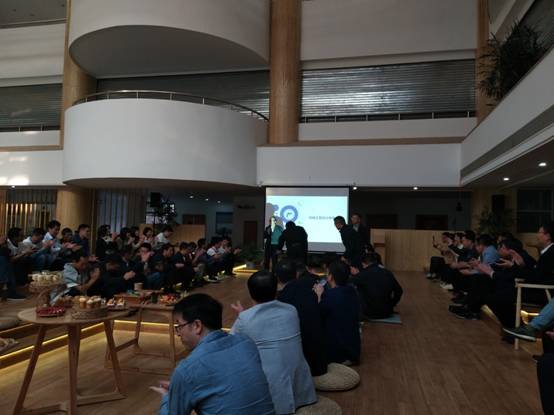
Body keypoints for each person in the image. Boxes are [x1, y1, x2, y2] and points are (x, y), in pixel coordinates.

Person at [155, 294, 275, 415]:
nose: (178, 333)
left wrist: (168, 397)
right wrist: (180, 387)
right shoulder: (246, 343)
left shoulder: (187, 369)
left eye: (179, 326)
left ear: (197, 326)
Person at [231, 271, 316, 414]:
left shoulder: (245, 319)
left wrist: (242, 315)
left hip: (270, 390)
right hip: (300, 384)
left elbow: (229, 344)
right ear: (277, 289)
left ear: (250, 293)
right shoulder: (291, 310)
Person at [276, 259, 328, 376]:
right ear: (296, 274)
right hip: (320, 359)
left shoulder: (282, 299)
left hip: (301, 366)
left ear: (277, 278)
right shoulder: (308, 286)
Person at [314, 261, 360, 365]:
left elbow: (318, 313)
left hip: (337, 352)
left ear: (330, 277)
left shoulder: (330, 295)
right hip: (353, 350)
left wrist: (318, 295)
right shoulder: (352, 291)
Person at [350, 253, 403, 319]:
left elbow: (346, 283)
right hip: (387, 312)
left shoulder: (363, 274)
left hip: (368, 313)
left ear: (363, 264)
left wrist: (356, 275)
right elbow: (399, 291)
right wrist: (391, 304)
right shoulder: (387, 272)